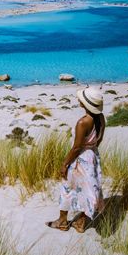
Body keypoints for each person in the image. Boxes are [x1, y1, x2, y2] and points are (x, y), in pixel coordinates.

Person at [47, 87, 105, 233]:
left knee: (67, 187)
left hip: (81, 159)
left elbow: (76, 147)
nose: (79, 100)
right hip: (92, 156)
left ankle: (62, 221)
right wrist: (91, 150)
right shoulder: (100, 118)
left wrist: (65, 164)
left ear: (85, 104)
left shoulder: (83, 122)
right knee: (89, 188)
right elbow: (99, 140)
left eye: (81, 99)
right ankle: (81, 223)